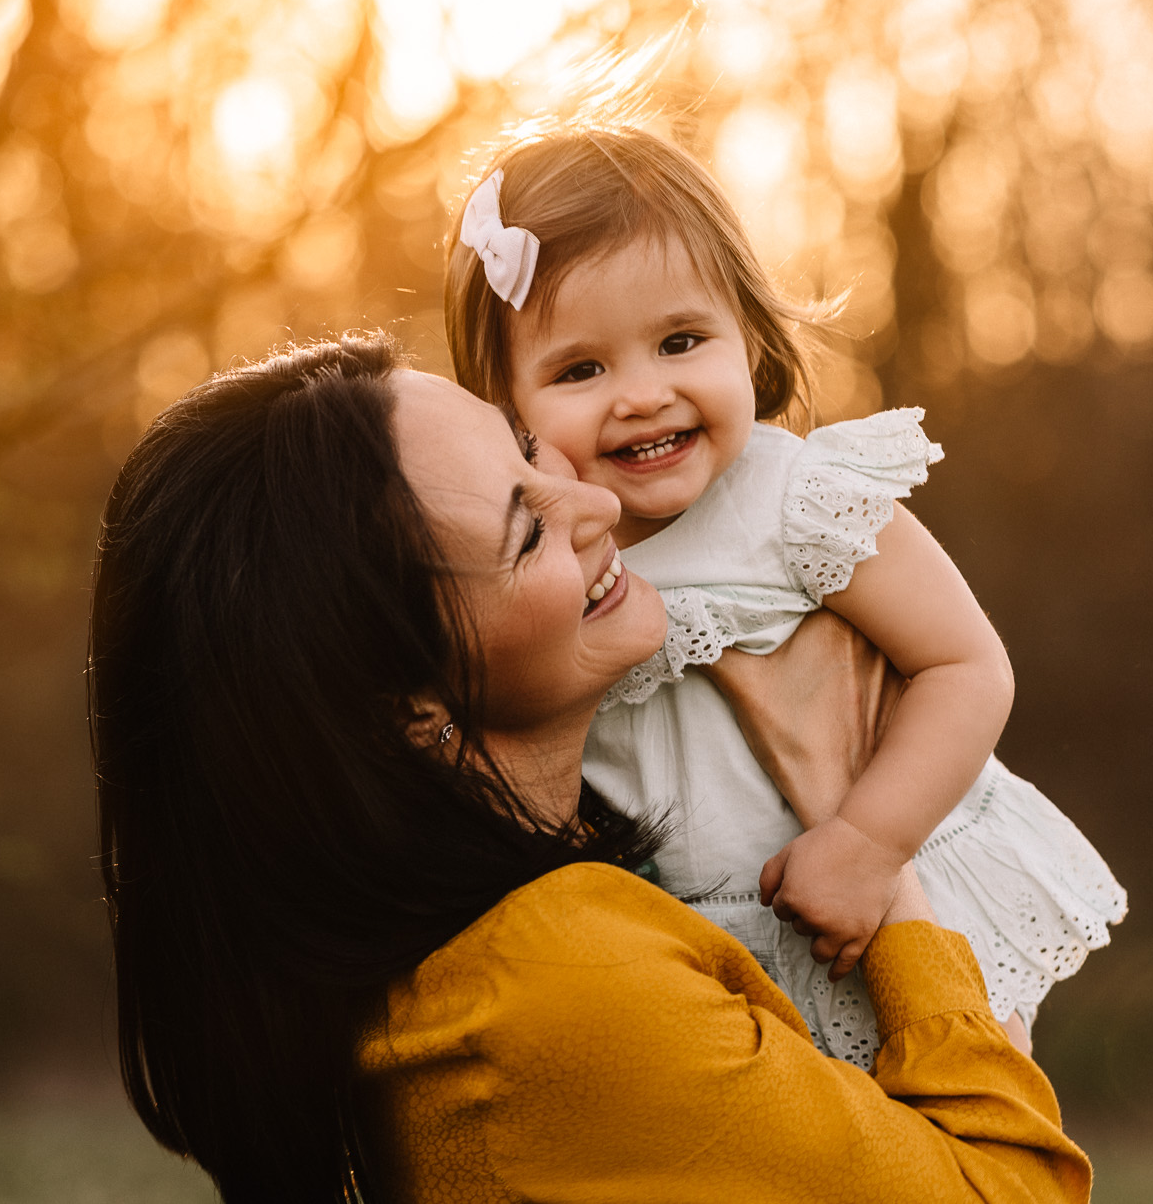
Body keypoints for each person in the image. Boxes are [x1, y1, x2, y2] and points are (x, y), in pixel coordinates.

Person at [89, 333, 1093, 1203]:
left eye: (526, 449)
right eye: (527, 528)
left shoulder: (493, 950)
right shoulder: (555, 990)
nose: (594, 500)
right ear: (405, 708)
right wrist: (874, 842)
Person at [441, 123, 1126, 1065]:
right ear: (504, 406)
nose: (643, 395)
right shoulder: (530, 556)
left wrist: (870, 840)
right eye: (581, 369)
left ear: (748, 337)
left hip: (885, 900)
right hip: (686, 956)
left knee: (968, 1128)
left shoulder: (795, 498)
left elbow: (968, 665)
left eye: (680, 341)